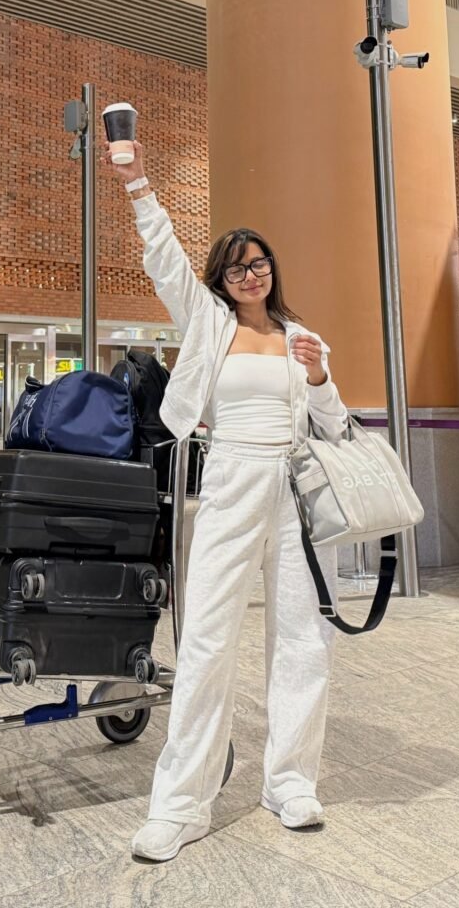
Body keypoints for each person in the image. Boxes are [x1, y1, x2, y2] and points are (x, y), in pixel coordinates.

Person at [104, 139, 348, 863]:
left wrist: (319, 377)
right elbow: (164, 261)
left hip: (297, 491)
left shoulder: (302, 338)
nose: (250, 274)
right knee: (207, 638)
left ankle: (291, 782)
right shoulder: (209, 322)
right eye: (237, 266)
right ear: (222, 277)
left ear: (272, 269)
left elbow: (335, 425)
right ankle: (180, 804)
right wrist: (138, 185)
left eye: (259, 263)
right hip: (233, 476)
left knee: (304, 638)